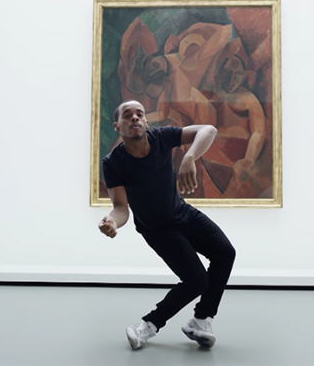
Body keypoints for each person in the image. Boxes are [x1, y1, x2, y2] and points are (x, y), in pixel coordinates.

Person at [98, 99, 236, 350]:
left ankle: (201, 320)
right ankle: (148, 324)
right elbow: (121, 208)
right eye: (127, 115)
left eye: (139, 114)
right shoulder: (114, 162)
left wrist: (190, 157)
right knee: (196, 280)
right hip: (158, 230)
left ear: (146, 121)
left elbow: (209, 130)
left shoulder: (162, 137)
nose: (134, 118)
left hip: (183, 213)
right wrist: (112, 222)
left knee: (225, 253)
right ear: (117, 126)